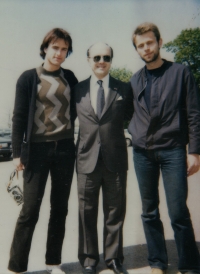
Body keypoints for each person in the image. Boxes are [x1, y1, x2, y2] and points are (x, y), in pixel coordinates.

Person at [128, 22, 200, 274]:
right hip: (142, 154)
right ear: (137, 50)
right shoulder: (135, 80)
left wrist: (194, 151)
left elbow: (193, 114)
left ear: (159, 42)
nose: (146, 48)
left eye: (149, 42)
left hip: (173, 151)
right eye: (140, 46)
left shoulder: (181, 73)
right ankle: (157, 262)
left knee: (178, 210)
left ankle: (190, 265)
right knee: (149, 211)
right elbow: (129, 113)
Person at [8, 28, 78, 274]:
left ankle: (53, 263)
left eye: (64, 49)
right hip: (36, 151)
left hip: (65, 150)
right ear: (45, 48)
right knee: (29, 211)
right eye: (55, 47)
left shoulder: (70, 77)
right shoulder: (29, 78)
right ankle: (17, 267)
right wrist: (18, 153)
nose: (59, 53)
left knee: (60, 208)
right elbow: (18, 117)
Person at [74, 42, 133, 274]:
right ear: (88, 60)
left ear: (111, 60)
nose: (101, 61)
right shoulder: (77, 90)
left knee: (115, 210)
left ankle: (114, 258)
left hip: (115, 160)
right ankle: (89, 260)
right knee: (86, 211)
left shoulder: (124, 89)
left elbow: (131, 117)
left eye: (106, 57)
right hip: (86, 159)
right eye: (96, 57)